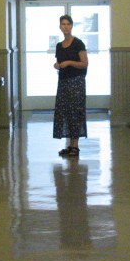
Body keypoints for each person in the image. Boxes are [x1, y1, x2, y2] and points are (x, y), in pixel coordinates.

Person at [53, 14, 88, 156]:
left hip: (76, 82)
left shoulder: (78, 43)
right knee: (65, 111)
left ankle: (75, 145)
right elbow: (59, 62)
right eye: (63, 24)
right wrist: (57, 65)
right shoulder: (59, 46)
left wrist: (69, 63)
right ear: (60, 27)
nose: (65, 26)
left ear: (72, 26)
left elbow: (84, 63)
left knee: (75, 111)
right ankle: (69, 144)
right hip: (63, 82)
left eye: (68, 24)